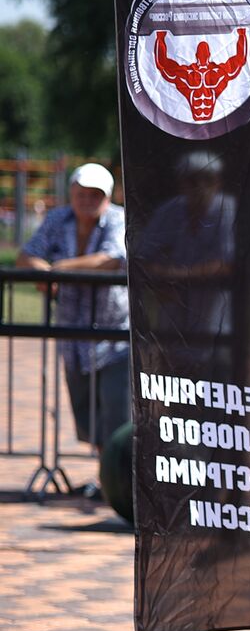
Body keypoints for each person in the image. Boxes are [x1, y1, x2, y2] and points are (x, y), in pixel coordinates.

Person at [18, 163, 130, 487]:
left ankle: (119, 483)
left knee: (117, 413)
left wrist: (58, 270)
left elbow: (111, 258)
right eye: (81, 193)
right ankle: (105, 478)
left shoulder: (118, 219)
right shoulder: (58, 218)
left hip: (113, 336)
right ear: (72, 192)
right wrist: (44, 271)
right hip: (73, 336)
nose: (86, 200)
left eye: (95, 194)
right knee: (87, 413)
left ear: (106, 197)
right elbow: (28, 255)